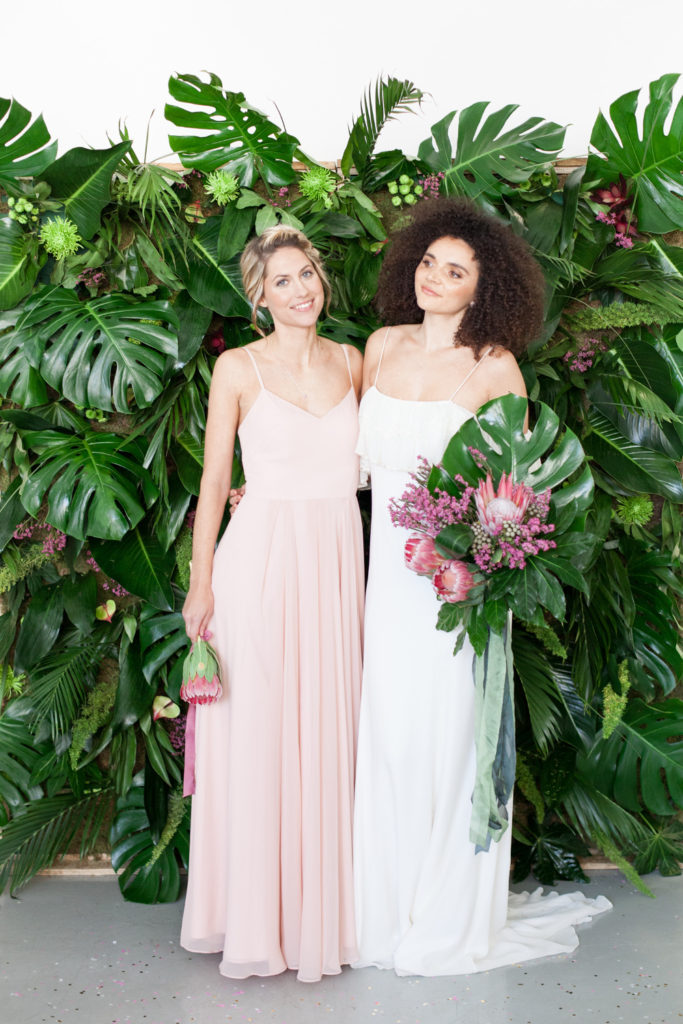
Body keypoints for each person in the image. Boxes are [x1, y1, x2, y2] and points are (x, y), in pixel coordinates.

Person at [353, 197, 610, 976]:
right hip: (380, 584)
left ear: (482, 287)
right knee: (388, 736)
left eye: (455, 270)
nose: (435, 277)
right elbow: (350, 468)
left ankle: (445, 910)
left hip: (450, 587)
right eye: (428, 262)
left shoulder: (495, 366)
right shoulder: (379, 345)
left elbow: (516, 491)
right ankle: (382, 909)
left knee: (448, 736)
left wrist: (473, 566)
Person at [180, 225, 365, 982]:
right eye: (282, 281)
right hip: (255, 565)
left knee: (327, 728)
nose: (301, 289)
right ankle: (255, 921)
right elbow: (216, 485)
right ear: (258, 296)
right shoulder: (236, 368)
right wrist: (199, 584)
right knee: (259, 735)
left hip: (334, 560)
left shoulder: (353, 362)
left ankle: (323, 914)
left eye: (308, 275)